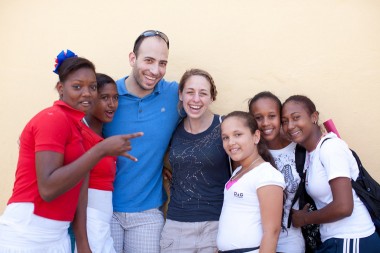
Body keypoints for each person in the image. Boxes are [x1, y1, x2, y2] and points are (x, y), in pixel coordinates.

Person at [0, 50, 142, 253]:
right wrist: (101, 150)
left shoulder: (76, 126)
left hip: (56, 236)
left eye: (92, 87)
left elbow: (80, 184)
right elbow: (48, 189)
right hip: (28, 232)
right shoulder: (53, 118)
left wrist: (83, 243)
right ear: (60, 88)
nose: (87, 93)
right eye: (77, 87)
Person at [103, 30, 181, 253]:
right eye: (149, 60)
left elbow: (200, 121)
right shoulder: (108, 96)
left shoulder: (174, 94)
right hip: (104, 209)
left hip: (148, 212)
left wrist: (180, 163)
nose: (156, 70)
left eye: (162, 63)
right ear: (132, 58)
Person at [281, 95, 380, 253]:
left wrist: (304, 219)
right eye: (285, 121)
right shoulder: (310, 155)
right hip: (335, 240)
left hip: (353, 239)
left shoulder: (331, 148)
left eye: (296, 118)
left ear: (314, 117)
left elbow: (344, 207)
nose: (290, 126)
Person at [160, 69, 231, 252]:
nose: (196, 99)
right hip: (176, 225)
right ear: (181, 94)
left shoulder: (225, 127)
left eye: (203, 93)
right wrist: (159, 168)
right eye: (190, 92)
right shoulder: (172, 128)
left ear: (212, 97)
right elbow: (151, 149)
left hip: (215, 224)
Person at [217, 111, 285, 253]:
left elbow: (272, 231)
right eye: (225, 137)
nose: (231, 142)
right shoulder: (238, 172)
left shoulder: (266, 175)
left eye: (238, 134)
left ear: (256, 136)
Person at [248, 91, 305, 253]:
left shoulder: (300, 149)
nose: (265, 123)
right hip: (255, 239)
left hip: (290, 240)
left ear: (280, 117)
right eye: (258, 118)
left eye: (271, 116)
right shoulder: (248, 152)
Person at [74, 73, 120, 253]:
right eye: (105, 98)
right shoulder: (81, 135)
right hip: (88, 225)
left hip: (102, 225)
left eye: (115, 98)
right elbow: (77, 188)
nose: (112, 104)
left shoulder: (102, 138)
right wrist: (83, 243)